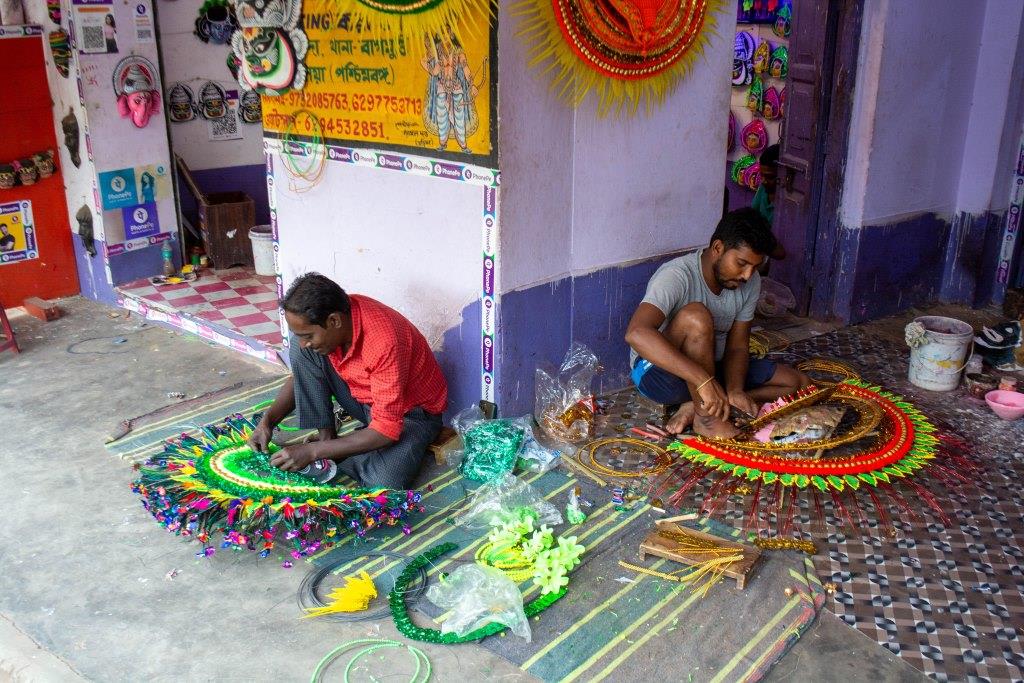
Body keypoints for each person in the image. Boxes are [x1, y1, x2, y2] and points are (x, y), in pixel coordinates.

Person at [247, 273, 447, 489]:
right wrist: (268, 421)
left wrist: (313, 452)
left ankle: (334, 450)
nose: (305, 342)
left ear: (334, 321)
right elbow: (302, 376)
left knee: (383, 482)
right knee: (300, 351)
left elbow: (386, 429)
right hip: (364, 400)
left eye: (308, 335)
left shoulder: (385, 341)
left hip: (413, 415)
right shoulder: (338, 320)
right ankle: (330, 442)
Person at [625, 208, 810, 439]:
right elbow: (636, 333)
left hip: (712, 366)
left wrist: (735, 389)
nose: (746, 275)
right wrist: (702, 380)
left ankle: (700, 403)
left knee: (798, 385)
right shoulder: (677, 275)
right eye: (741, 263)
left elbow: (738, 347)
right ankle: (707, 419)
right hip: (659, 374)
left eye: (755, 267)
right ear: (717, 248)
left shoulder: (749, 282)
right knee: (696, 317)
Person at [752, 144, 786, 267]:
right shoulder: (763, 189)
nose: (764, 181)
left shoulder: (787, 203)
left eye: (770, 177)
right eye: (762, 175)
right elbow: (753, 216)